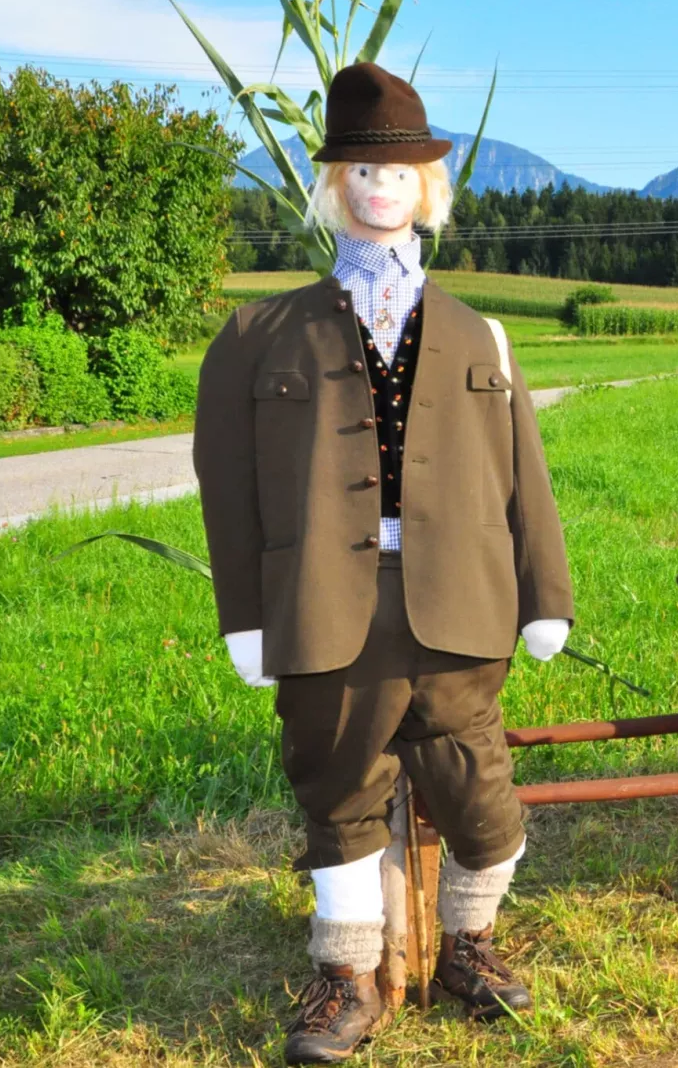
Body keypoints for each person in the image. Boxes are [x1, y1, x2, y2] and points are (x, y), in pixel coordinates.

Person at [193, 63, 574, 1065]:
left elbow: (523, 478)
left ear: (426, 188)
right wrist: (245, 614)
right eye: (361, 168)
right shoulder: (255, 335)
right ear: (334, 186)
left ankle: (471, 942)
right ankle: (347, 974)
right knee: (338, 787)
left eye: (399, 170)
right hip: (323, 604)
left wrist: (547, 595)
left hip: (463, 602)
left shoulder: (479, 333)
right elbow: (227, 491)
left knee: (480, 786)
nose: (380, 186)